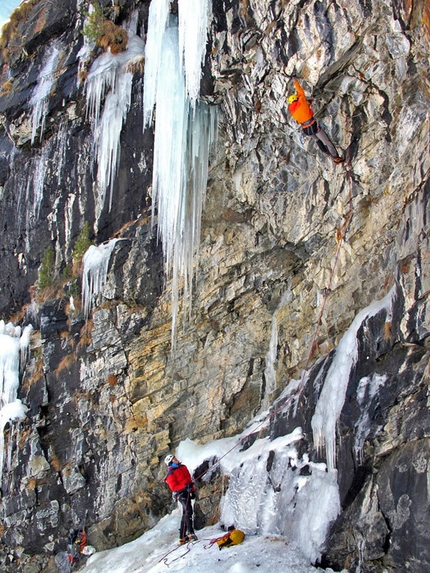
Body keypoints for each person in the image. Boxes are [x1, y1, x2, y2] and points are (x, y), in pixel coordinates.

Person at [288, 79, 344, 164]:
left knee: (317, 140)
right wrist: (295, 82)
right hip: (312, 126)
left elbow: (303, 112)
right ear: (296, 99)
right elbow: (300, 92)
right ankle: (335, 156)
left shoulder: (292, 111)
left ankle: (326, 152)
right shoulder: (301, 101)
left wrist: (308, 105)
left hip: (306, 130)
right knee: (326, 141)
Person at [164, 454, 197, 544]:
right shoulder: (171, 474)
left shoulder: (183, 467)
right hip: (180, 493)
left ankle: (182, 536)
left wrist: (192, 490)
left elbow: (189, 479)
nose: (176, 460)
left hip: (187, 491)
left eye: (175, 458)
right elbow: (174, 487)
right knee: (188, 511)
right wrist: (185, 487)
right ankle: (190, 533)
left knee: (186, 512)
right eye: (174, 459)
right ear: (170, 462)